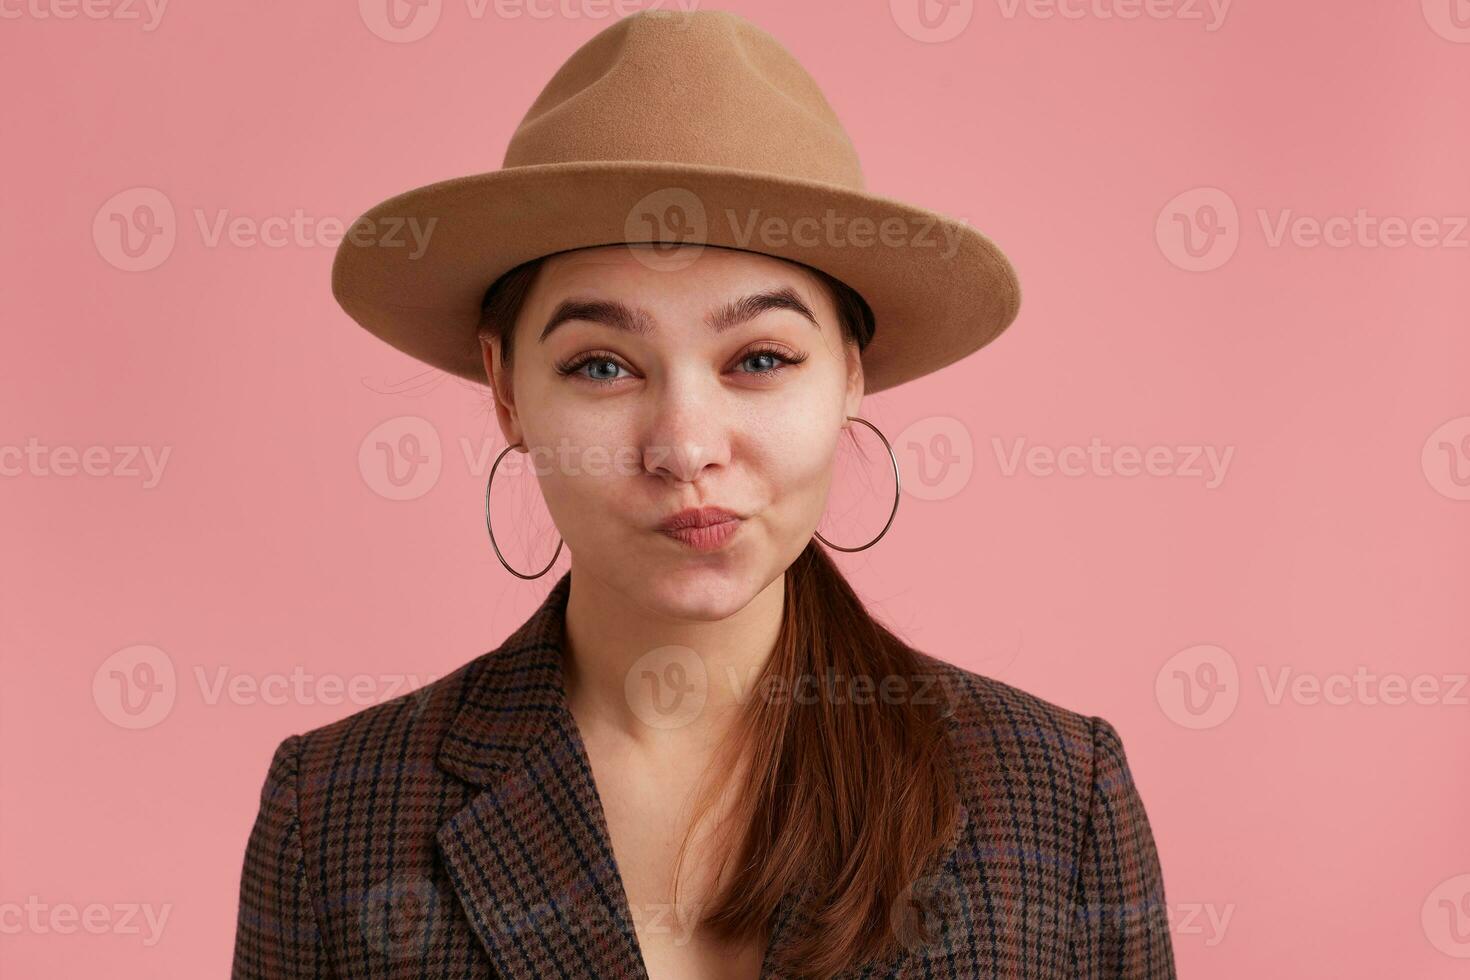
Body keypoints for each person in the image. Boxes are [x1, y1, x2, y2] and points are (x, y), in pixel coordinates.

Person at [232, 10, 1176, 979]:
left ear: (851, 374)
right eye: (601, 365)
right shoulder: (337, 808)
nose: (684, 446)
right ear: (507, 388)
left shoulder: (1058, 794)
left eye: (760, 357)